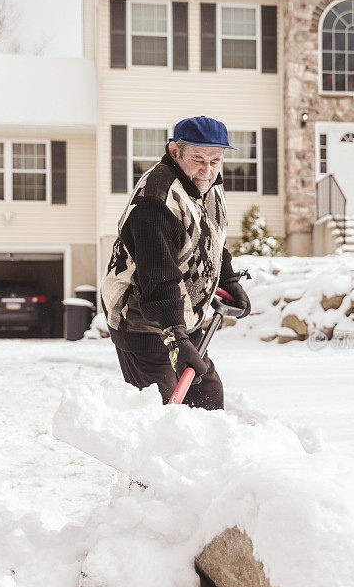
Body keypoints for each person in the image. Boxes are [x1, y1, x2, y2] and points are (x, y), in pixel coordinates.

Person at [100, 115, 251, 411]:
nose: (207, 171)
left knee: (208, 398)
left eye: (215, 161)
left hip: (182, 321)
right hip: (143, 324)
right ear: (174, 152)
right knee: (163, 415)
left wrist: (229, 279)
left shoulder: (209, 184)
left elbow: (211, 237)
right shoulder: (155, 202)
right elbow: (159, 278)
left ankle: (207, 458)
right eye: (198, 159)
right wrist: (176, 339)